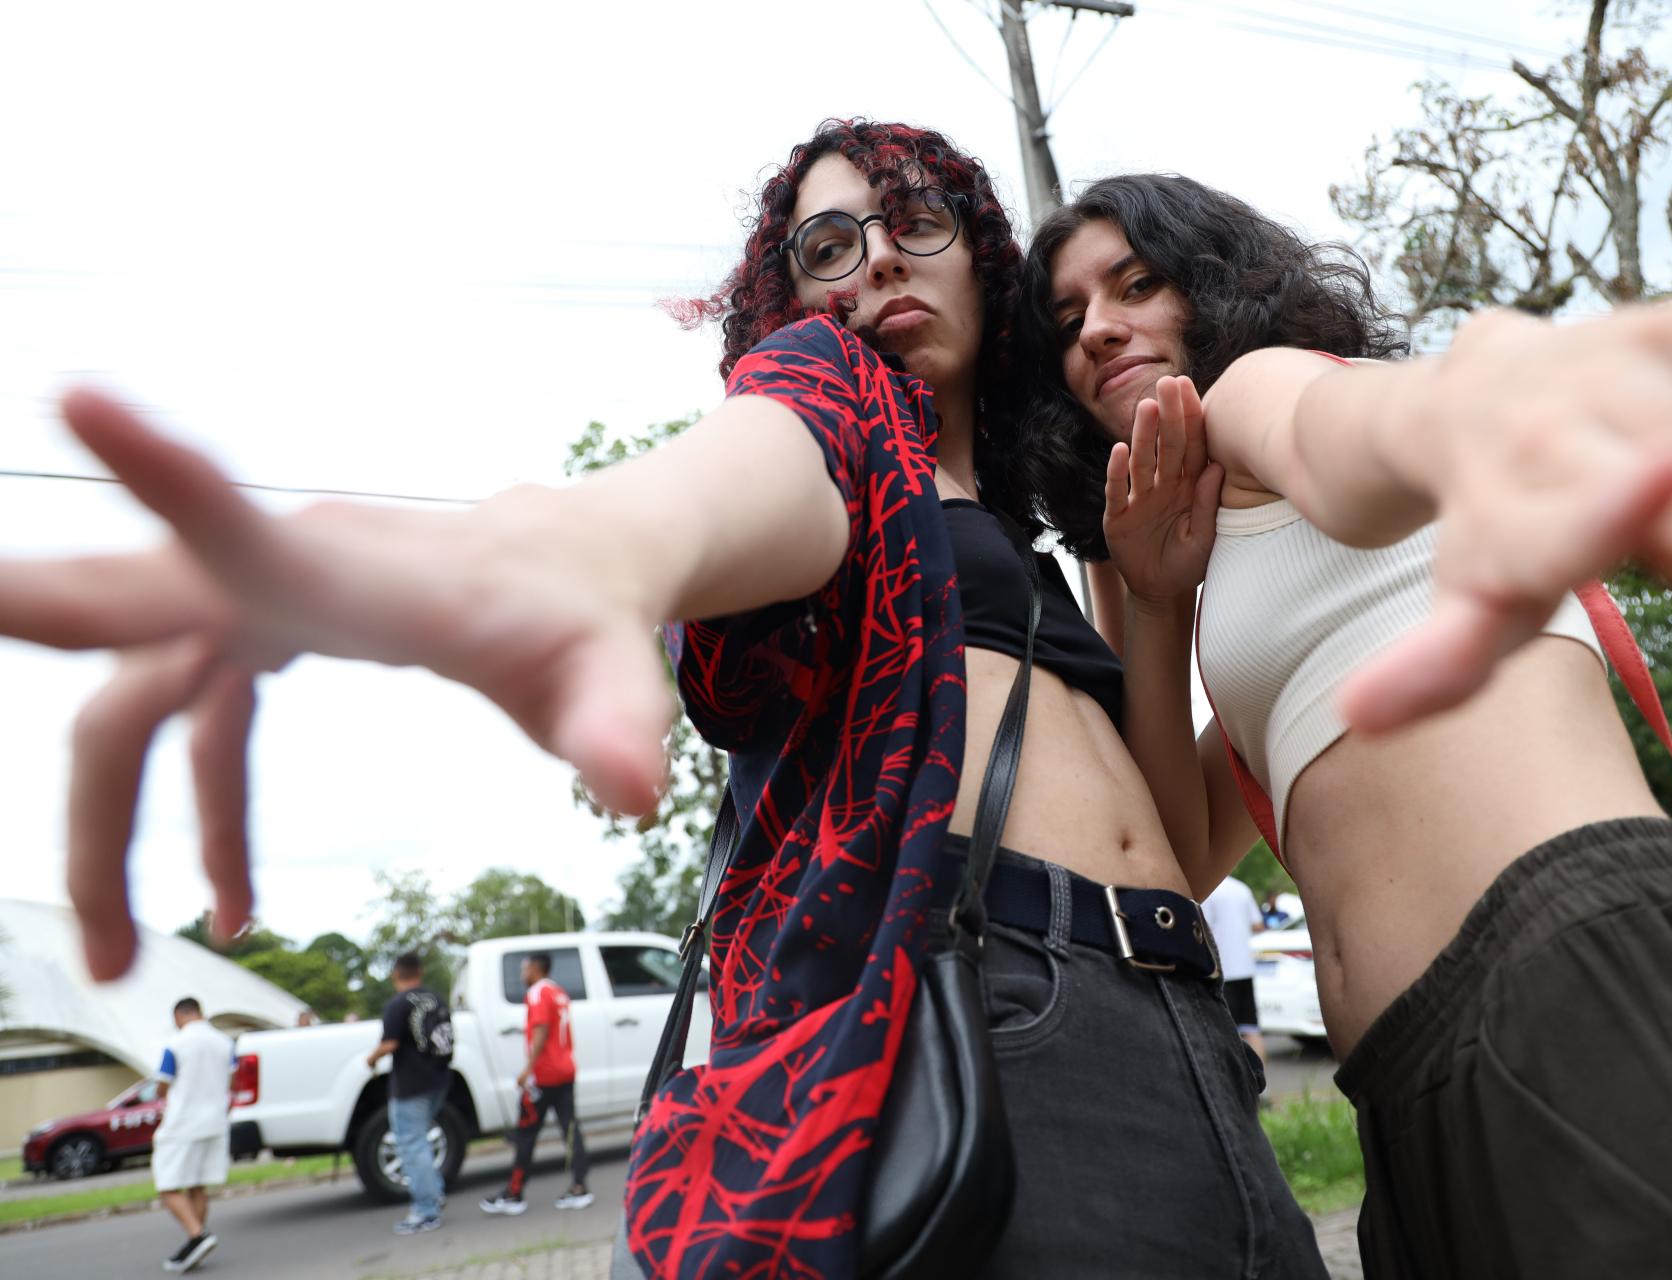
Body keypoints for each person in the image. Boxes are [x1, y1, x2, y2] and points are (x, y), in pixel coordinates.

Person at [0, 119, 1326, 1280]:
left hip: (1181, 1020)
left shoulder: (1045, 539)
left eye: (914, 218)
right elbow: (725, 478)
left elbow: (1184, 836)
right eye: (827, 244)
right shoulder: (834, 409)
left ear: (981, 256)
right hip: (1009, 1025)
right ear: (795, 301)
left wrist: (1162, 604)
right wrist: (553, 551)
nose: (874, 256)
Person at [1019, 171, 1672, 1277]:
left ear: (1212, 287)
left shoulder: (1261, 388)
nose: (1101, 330)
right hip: (1407, 1091)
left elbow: (1344, 435)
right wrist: (1152, 604)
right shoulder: (1216, 571)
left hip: (1570, 979)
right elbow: (1175, 855)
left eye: (1135, 284)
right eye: (1068, 323)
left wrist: (1473, 405)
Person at [480, 953, 591, 1216]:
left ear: (535, 968)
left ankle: (514, 1193)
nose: (522, 974)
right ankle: (580, 1185)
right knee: (570, 1128)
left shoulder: (538, 993)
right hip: (565, 1068)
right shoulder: (557, 991)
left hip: (544, 1074)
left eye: (525, 968)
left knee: (526, 1132)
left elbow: (540, 1029)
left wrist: (528, 1068)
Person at [367, 950, 454, 1234]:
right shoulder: (437, 998)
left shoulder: (397, 1004)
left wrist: (371, 1058)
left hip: (410, 1085)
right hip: (439, 1080)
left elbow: (390, 1043)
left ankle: (425, 1210)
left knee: (410, 1144)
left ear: (396, 974)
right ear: (420, 971)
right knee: (422, 1142)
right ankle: (435, 1193)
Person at [151, 997, 230, 1273]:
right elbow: (230, 1076)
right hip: (216, 1121)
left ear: (180, 1015)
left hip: (183, 1123)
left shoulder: (177, 1044)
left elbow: (162, 1086)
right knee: (197, 1185)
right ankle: (196, 1243)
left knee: (168, 1185)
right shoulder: (224, 1042)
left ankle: (198, 1235)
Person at [1201, 873, 1268, 1066]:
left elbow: (1204, 928)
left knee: (1224, 1031)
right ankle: (1262, 1089)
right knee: (1252, 1029)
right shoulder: (1242, 889)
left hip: (1222, 969)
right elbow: (1257, 924)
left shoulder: (1208, 889)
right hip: (1245, 968)